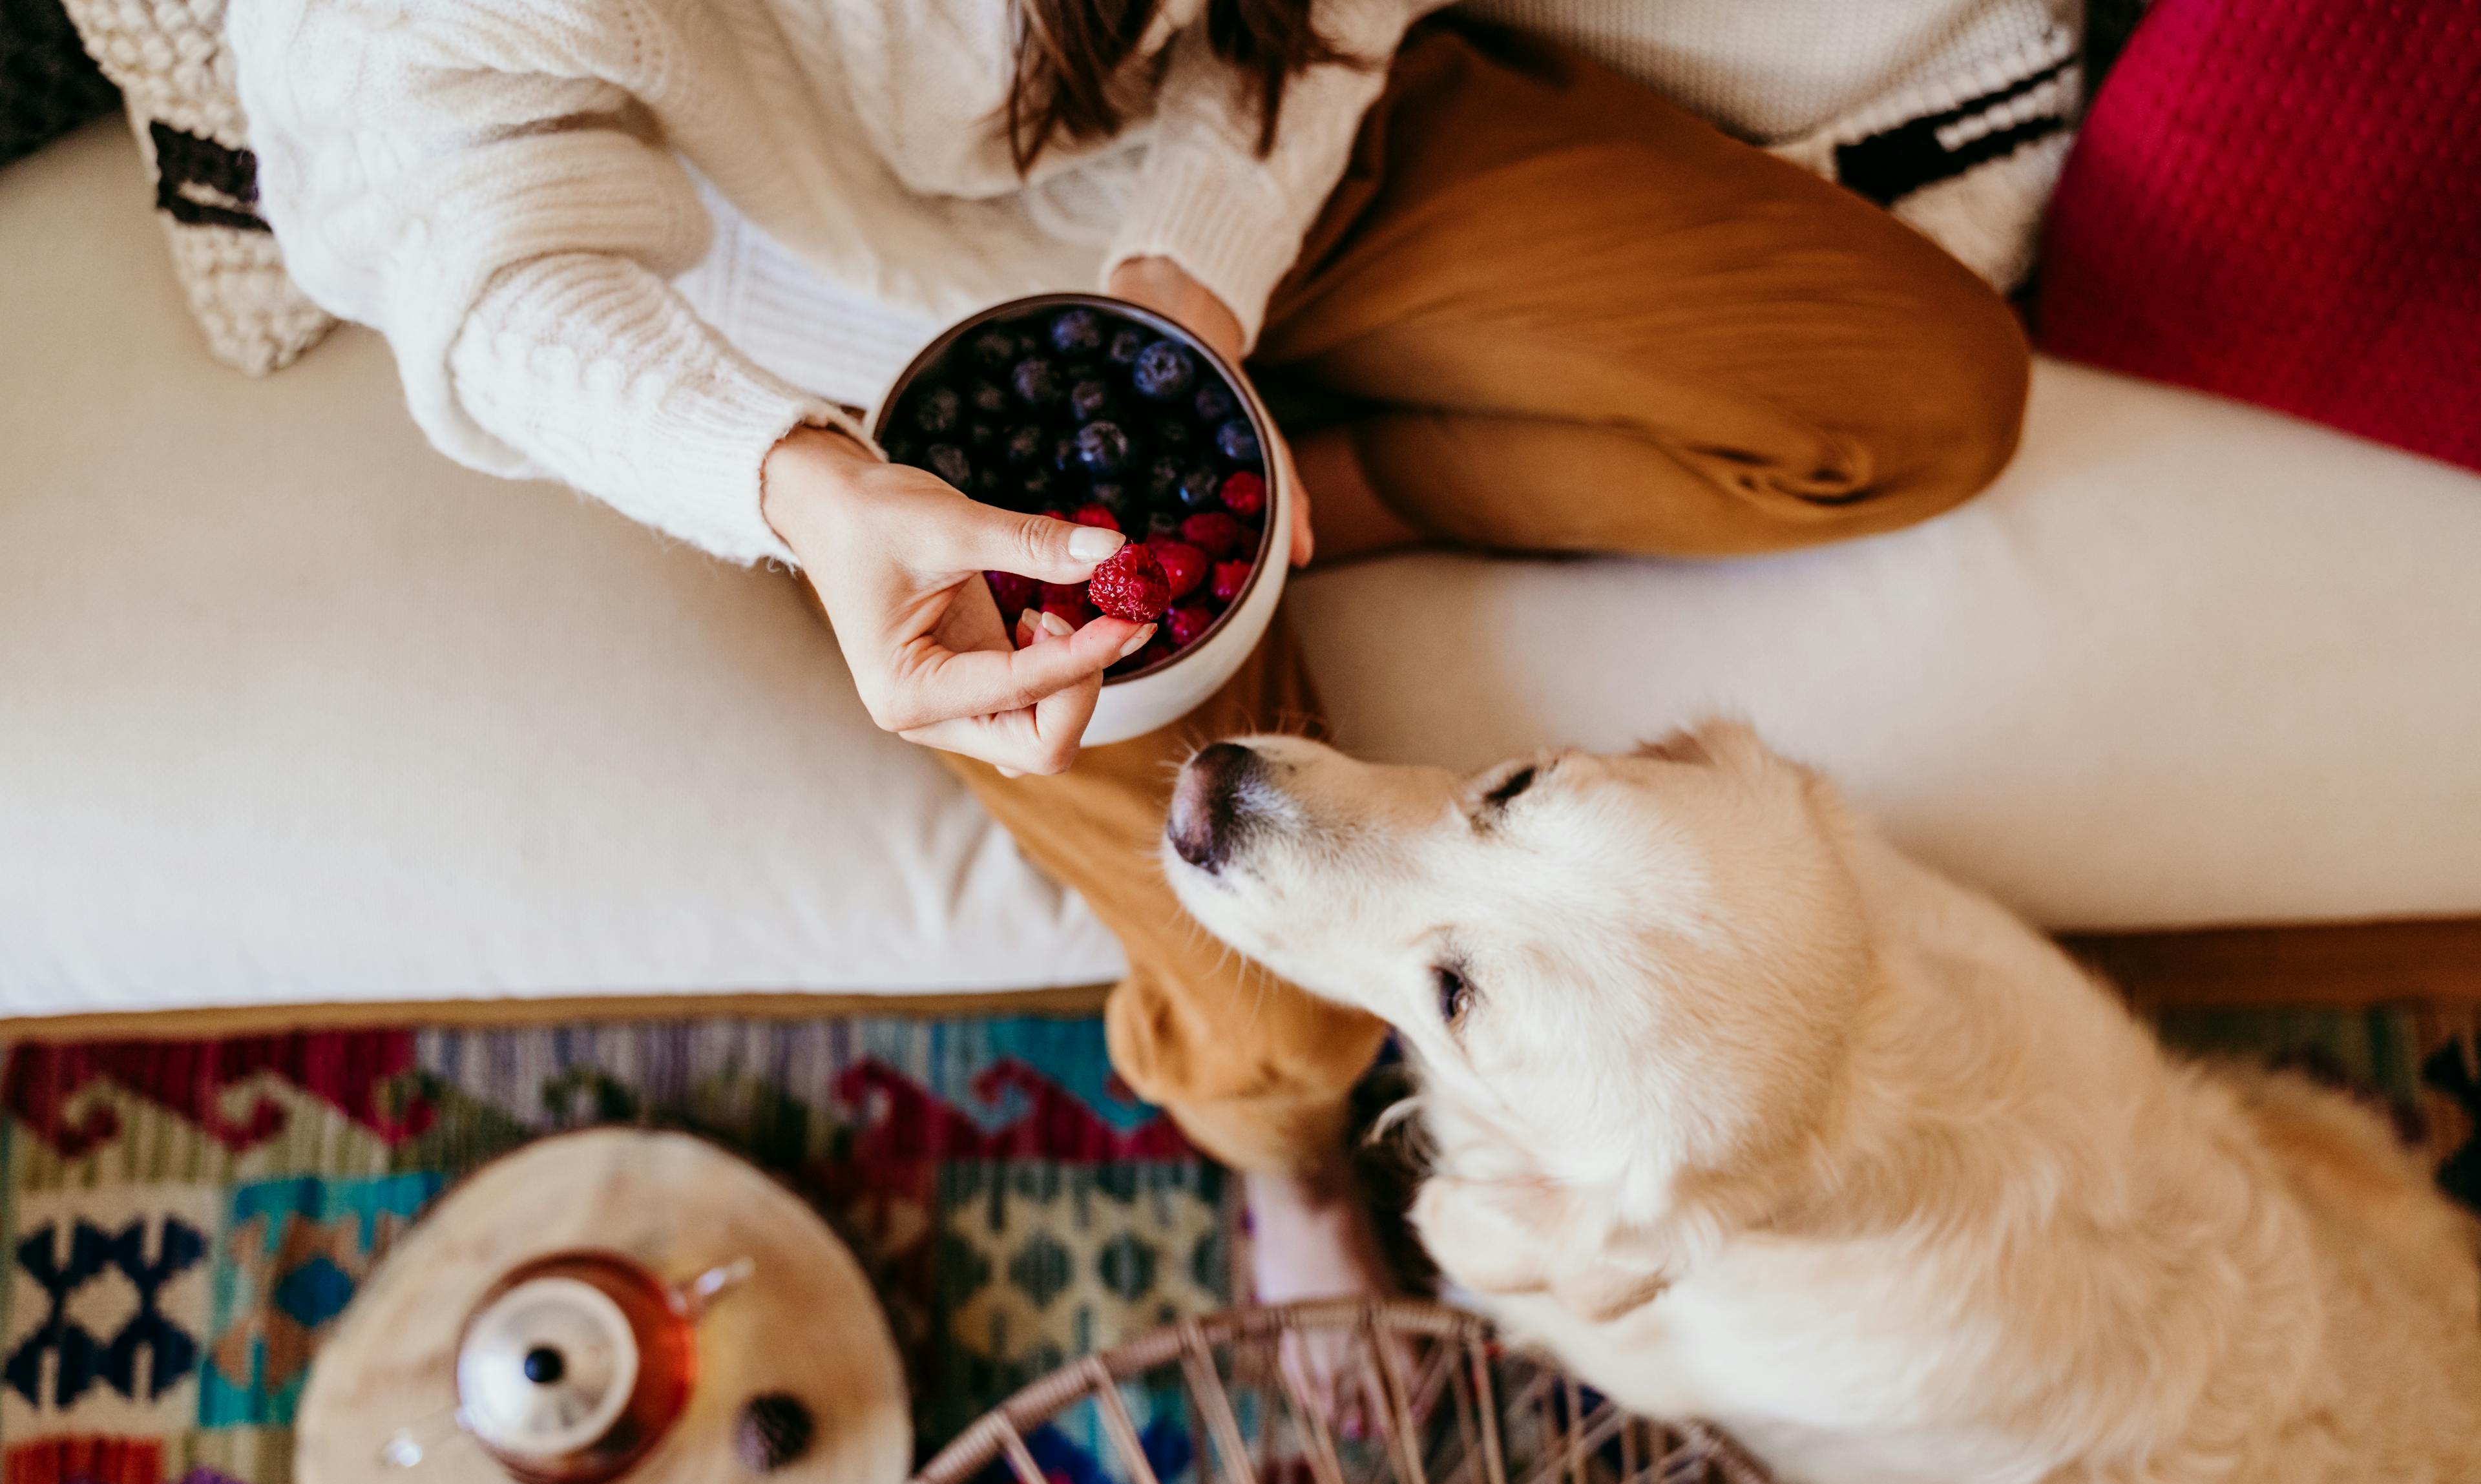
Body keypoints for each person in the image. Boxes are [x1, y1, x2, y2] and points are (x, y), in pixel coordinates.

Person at [230, 0, 2029, 1305]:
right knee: (1290, 1027)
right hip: (871, 407)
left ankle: (1325, 487)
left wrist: (1200, 285)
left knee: (1926, 400)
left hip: (1261, 159)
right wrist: (793, 484)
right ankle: (1278, 1165)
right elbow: (454, 230)